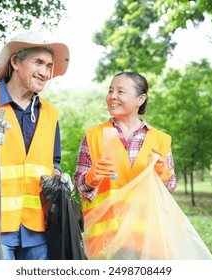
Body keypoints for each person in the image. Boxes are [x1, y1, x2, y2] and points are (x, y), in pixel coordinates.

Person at [0, 31, 70, 260]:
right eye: (38, 62)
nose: (45, 72)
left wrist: (59, 178)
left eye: (49, 66)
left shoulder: (50, 114)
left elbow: (52, 163)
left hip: (38, 227)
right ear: (16, 61)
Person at [73, 71, 177, 259]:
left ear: (140, 99)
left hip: (147, 241)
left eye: (120, 91)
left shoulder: (160, 140)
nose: (113, 96)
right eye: (110, 91)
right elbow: (81, 187)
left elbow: (169, 189)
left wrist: (163, 173)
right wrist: (92, 177)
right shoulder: (93, 136)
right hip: (105, 242)